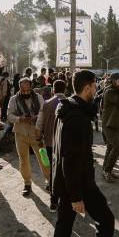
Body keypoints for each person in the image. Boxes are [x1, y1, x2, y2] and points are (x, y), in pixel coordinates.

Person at [48, 70, 119, 237]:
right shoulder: (76, 116)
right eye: (94, 85)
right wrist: (75, 197)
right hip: (78, 183)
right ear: (86, 87)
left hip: (69, 182)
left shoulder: (69, 108)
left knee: (64, 227)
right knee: (107, 222)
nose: (97, 89)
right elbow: (69, 159)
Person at [7, 77, 50, 196]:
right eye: (23, 89)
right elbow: (9, 115)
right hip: (21, 133)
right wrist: (20, 119)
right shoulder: (14, 99)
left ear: (30, 87)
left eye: (27, 89)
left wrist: (36, 118)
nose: (25, 92)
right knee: (23, 160)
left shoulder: (39, 98)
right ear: (19, 88)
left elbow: (44, 112)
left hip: (37, 133)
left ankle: (50, 181)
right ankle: (27, 184)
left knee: (44, 158)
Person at [36, 79, 67, 211]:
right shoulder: (69, 103)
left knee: (53, 171)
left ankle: (53, 202)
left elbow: (39, 123)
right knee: (65, 171)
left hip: (49, 142)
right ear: (65, 90)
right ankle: (66, 200)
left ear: (53, 90)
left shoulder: (46, 103)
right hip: (65, 144)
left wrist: (38, 137)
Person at [101, 73, 119, 181]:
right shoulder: (110, 91)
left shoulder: (116, 90)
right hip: (108, 124)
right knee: (117, 147)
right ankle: (107, 171)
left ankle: (106, 170)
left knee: (111, 147)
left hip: (114, 123)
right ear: (114, 80)